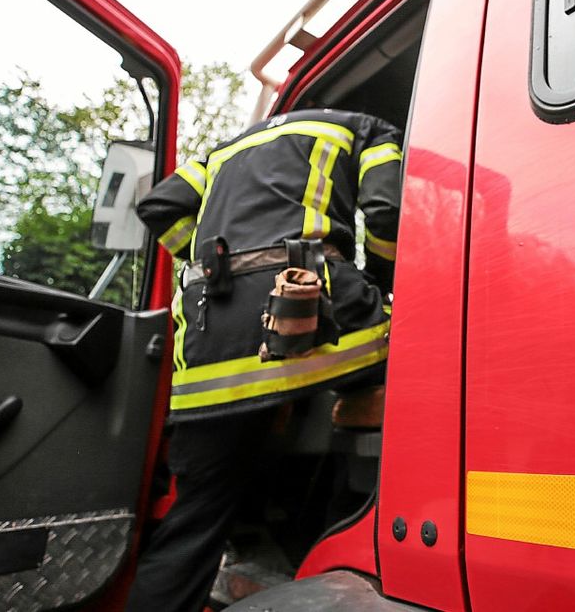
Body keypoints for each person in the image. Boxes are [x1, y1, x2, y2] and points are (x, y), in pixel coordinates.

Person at [125, 107, 402, 612]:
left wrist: (218, 269)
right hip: (321, 311)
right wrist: (383, 281)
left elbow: (158, 206)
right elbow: (384, 210)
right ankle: (346, 549)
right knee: (404, 380)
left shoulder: (221, 153)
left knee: (194, 523)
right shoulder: (365, 127)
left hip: (211, 352)